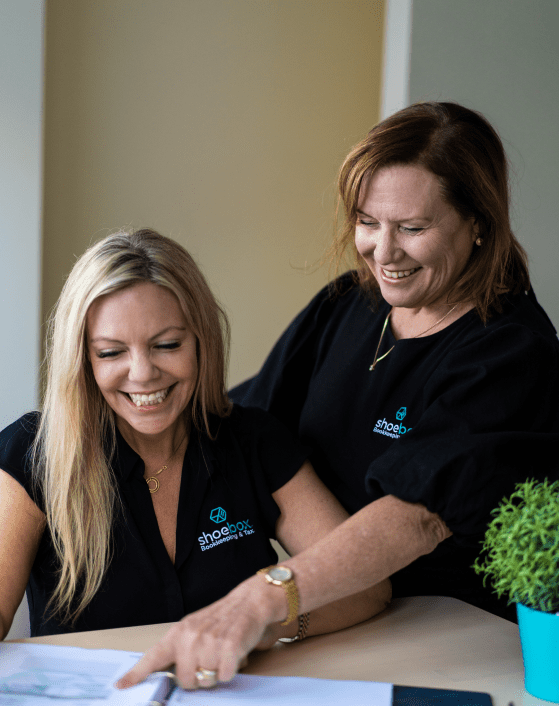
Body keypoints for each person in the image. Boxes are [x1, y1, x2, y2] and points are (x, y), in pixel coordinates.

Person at [117, 102, 559, 690]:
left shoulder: (510, 351)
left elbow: (416, 517)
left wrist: (261, 599)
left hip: (450, 633)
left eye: (413, 228)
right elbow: (241, 424)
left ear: (479, 222)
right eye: (368, 221)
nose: (383, 251)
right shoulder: (350, 305)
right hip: (338, 614)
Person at [0, 229, 391, 650]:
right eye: (111, 352)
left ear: (202, 340)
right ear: (81, 360)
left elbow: (365, 585)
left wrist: (267, 624)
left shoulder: (254, 442)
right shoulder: (33, 453)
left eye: (167, 344)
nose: (143, 372)